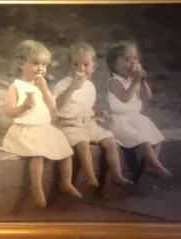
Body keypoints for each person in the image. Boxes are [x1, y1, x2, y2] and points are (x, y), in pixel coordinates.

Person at [0, 40, 82, 208]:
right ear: (21, 64)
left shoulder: (40, 85)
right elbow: (8, 111)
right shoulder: (16, 87)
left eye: (44, 65)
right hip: (26, 129)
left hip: (43, 128)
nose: (40, 68)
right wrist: (23, 107)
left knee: (66, 151)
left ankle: (66, 183)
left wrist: (44, 89)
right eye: (36, 63)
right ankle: (36, 188)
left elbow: (52, 105)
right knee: (37, 155)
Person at [52, 41, 133, 188]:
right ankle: (90, 177)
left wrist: (98, 111)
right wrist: (71, 88)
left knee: (110, 141)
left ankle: (117, 175)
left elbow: (89, 104)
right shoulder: (64, 84)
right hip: (70, 125)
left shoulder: (89, 86)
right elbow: (58, 104)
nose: (81, 69)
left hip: (89, 123)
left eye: (85, 65)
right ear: (69, 66)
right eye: (76, 64)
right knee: (83, 144)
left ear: (93, 67)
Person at [105, 38, 172, 179]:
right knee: (145, 141)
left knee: (157, 139)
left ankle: (150, 165)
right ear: (115, 65)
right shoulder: (114, 82)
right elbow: (125, 98)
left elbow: (146, 96)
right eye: (128, 59)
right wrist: (135, 81)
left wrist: (142, 81)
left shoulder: (133, 80)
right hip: (120, 122)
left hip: (136, 119)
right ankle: (158, 166)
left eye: (135, 58)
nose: (133, 62)